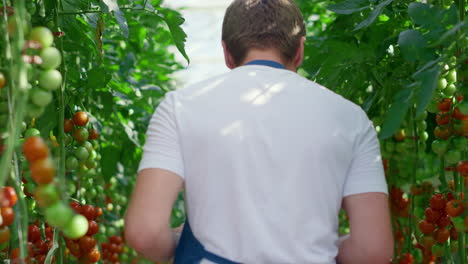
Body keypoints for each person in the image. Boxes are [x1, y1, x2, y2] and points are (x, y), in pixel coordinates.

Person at [124, 0, 394, 263]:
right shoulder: (350, 118)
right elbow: (373, 251)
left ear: (227, 53)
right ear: (299, 50)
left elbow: (145, 232)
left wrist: (181, 245)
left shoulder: (180, 107)